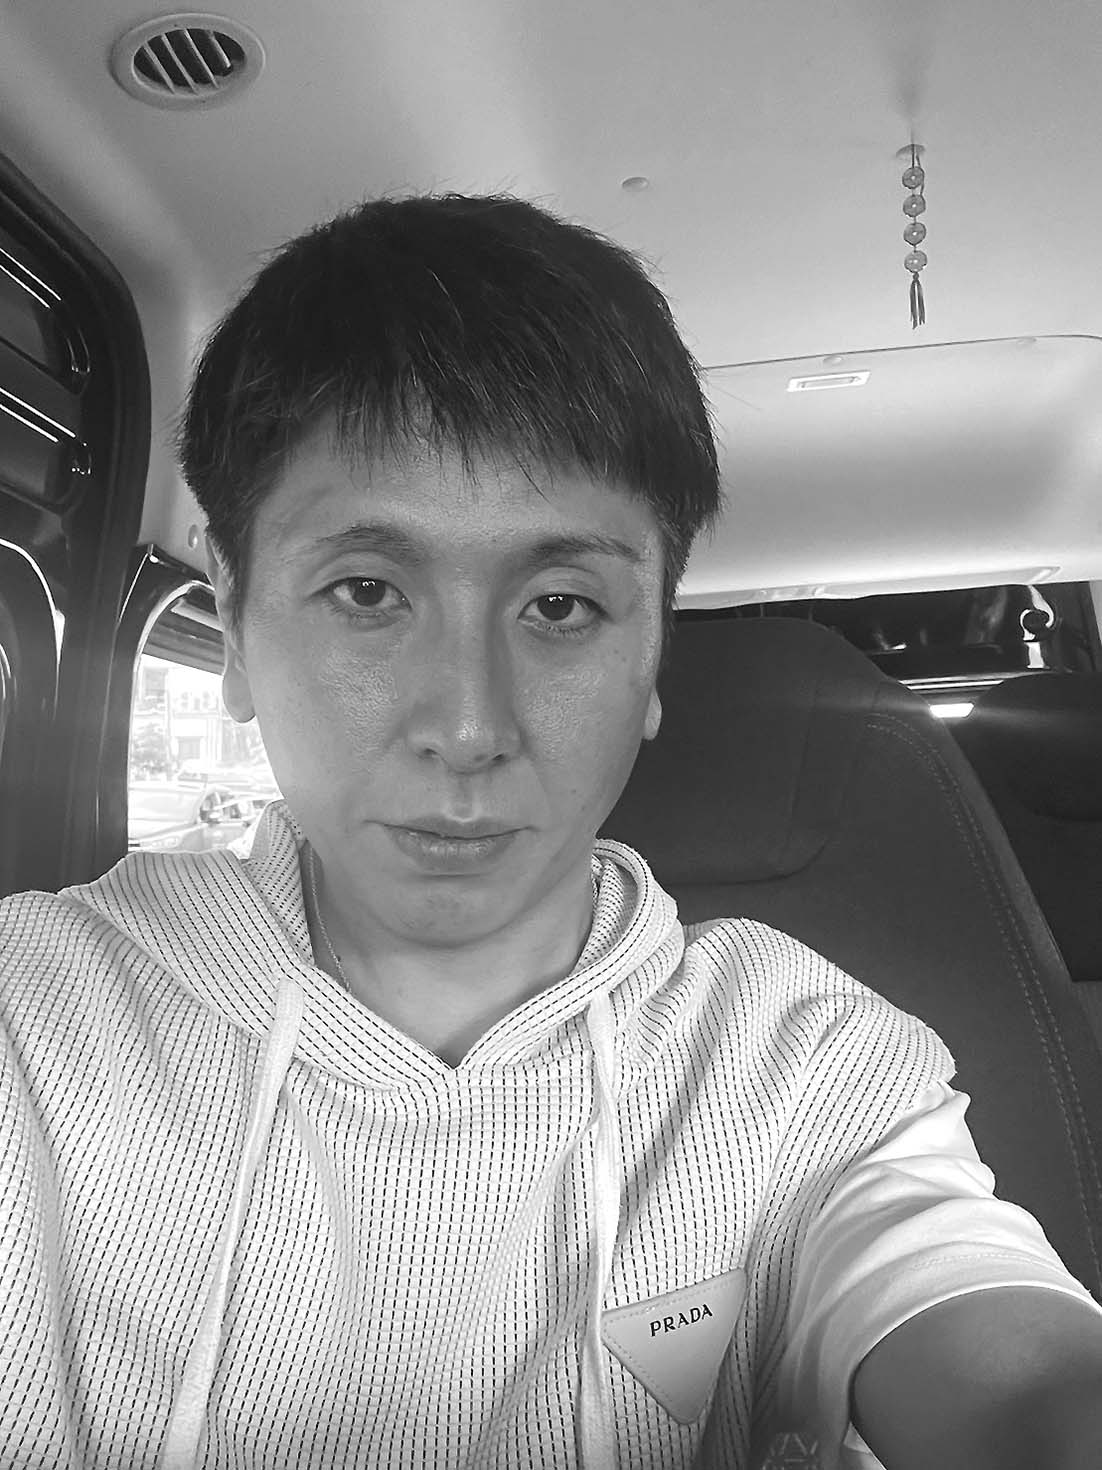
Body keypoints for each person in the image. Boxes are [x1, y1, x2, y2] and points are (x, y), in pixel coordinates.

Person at [2, 193, 1101, 1470]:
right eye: (367, 591)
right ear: (236, 621)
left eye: (562, 607)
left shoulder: (805, 1063)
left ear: (653, 660)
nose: (468, 726)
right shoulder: (34, 1020)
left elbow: (1008, 1363)